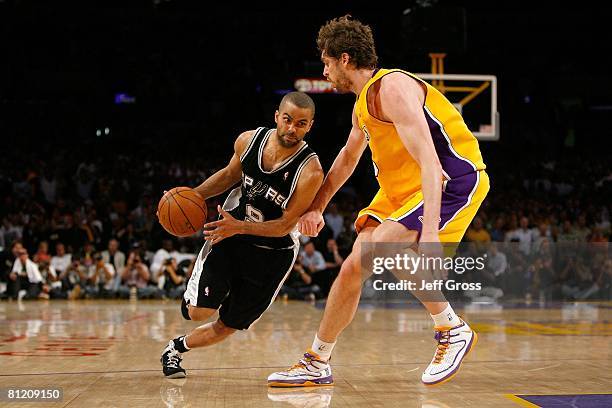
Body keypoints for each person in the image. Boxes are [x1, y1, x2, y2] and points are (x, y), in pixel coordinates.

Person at [268, 16, 489, 387]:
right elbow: (347, 160)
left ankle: (452, 328)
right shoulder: (363, 104)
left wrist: (431, 233)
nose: (324, 71)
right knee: (353, 267)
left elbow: (432, 164)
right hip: (401, 191)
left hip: (451, 180)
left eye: (325, 62)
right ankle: (317, 360)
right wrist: (317, 206)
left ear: (344, 59)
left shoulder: (392, 87)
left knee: (382, 246)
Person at [160, 91, 324, 378]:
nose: (291, 128)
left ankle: (175, 348)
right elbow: (227, 176)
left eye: (300, 123)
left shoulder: (310, 171)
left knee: (229, 325)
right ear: (277, 117)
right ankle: (199, 292)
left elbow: (286, 225)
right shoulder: (249, 141)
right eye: (287, 120)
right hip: (231, 235)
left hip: (274, 253)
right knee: (199, 312)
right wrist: (187, 196)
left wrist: (242, 227)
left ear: (309, 126)